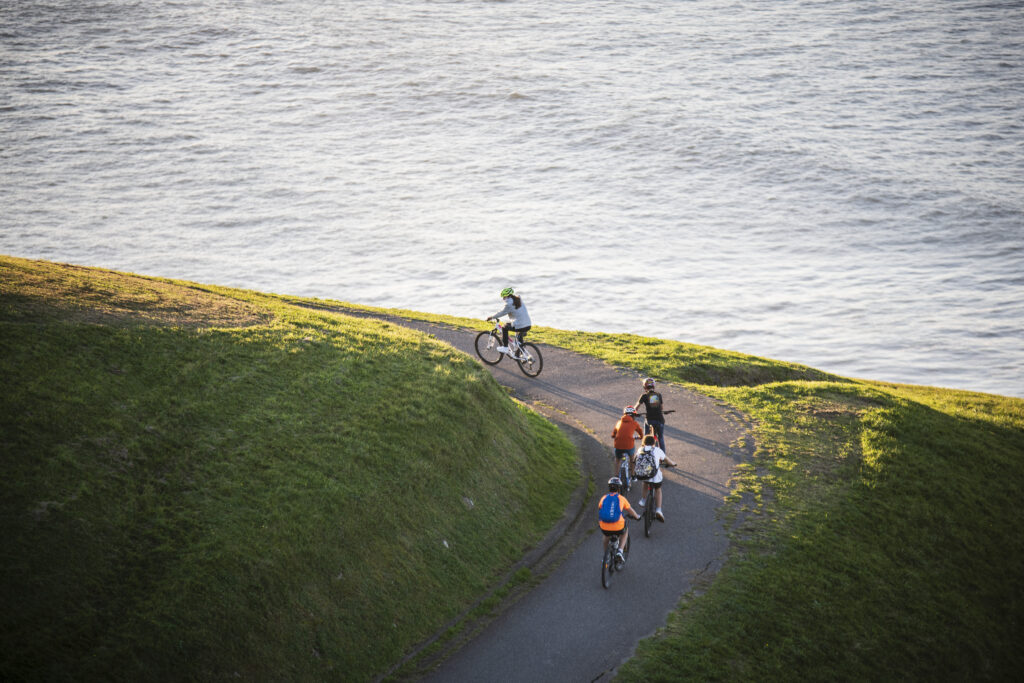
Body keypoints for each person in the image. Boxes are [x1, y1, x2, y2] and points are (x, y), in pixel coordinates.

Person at [598, 477, 641, 562]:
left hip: (604, 526)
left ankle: (605, 557)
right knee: (625, 531)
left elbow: (600, 509)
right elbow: (630, 510)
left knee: (606, 536)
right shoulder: (621, 498)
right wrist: (637, 517)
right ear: (619, 488)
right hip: (618, 526)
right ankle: (620, 551)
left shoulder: (603, 498)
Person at [636, 434, 678, 522]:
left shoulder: (640, 449)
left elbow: (636, 460)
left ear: (644, 443)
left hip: (643, 475)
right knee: (658, 489)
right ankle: (659, 510)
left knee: (645, 483)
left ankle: (643, 500)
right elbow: (667, 460)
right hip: (655, 477)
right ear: (653, 443)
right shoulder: (657, 450)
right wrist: (673, 464)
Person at [486, 287, 532, 356]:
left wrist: (492, 317)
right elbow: (517, 313)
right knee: (518, 337)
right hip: (528, 324)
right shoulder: (519, 299)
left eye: (504, 297)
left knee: (504, 327)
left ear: (508, 296)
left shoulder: (509, 304)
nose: (503, 299)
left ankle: (505, 347)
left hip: (521, 325)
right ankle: (523, 353)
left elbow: (501, 313)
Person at [634, 377, 667, 453]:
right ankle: (663, 456)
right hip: (660, 420)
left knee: (646, 435)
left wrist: (634, 413)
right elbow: (661, 408)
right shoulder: (658, 395)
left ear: (644, 387)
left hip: (650, 420)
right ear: (654, 386)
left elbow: (637, 406)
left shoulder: (644, 396)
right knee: (661, 437)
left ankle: (644, 452)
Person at [611, 406, 644, 482]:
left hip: (618, 445)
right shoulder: (634, 423)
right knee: (632, 459)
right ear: (633, 415)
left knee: (618, 459)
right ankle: (633, 475)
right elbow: (640, 432)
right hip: (629, 445)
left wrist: (614, 436)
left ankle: (616, 476)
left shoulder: (619, 422)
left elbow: (613, 433)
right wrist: (640, 437)